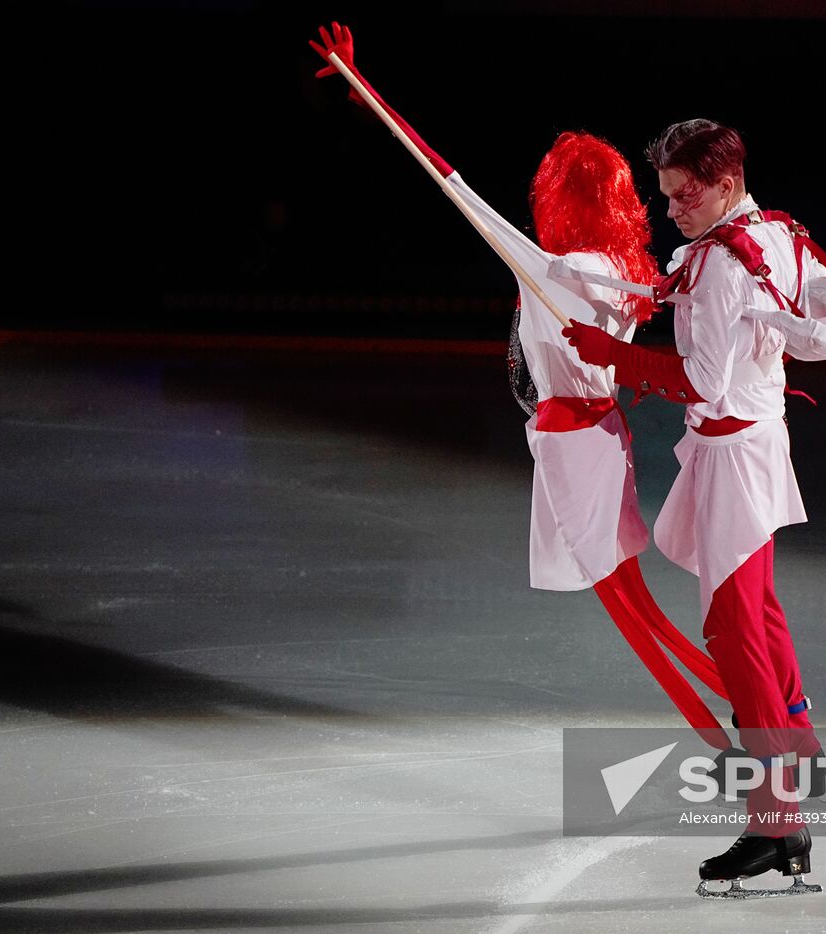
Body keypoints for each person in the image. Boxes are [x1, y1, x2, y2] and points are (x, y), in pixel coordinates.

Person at [308, 26, 735, 751]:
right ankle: (750, 705)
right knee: (638, 608)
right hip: (604, 438)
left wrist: (363, 88)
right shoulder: (625, 270)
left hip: (574, 444)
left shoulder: (554, 267)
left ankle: (731, 737)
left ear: (559, 195)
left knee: (631, 615)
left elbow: (450, 182)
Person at [564, 117, 826, 897]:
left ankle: (778, 820)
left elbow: (699, 381)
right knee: (759, 611)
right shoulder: (775, 232)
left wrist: (614, 356)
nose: (672, 209)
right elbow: (820, 340)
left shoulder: (722, 265)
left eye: (684, 194)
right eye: (665, 194)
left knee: (735, 630)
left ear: (725, 184)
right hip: (758, 442)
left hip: (735, 458)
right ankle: (796, 744)